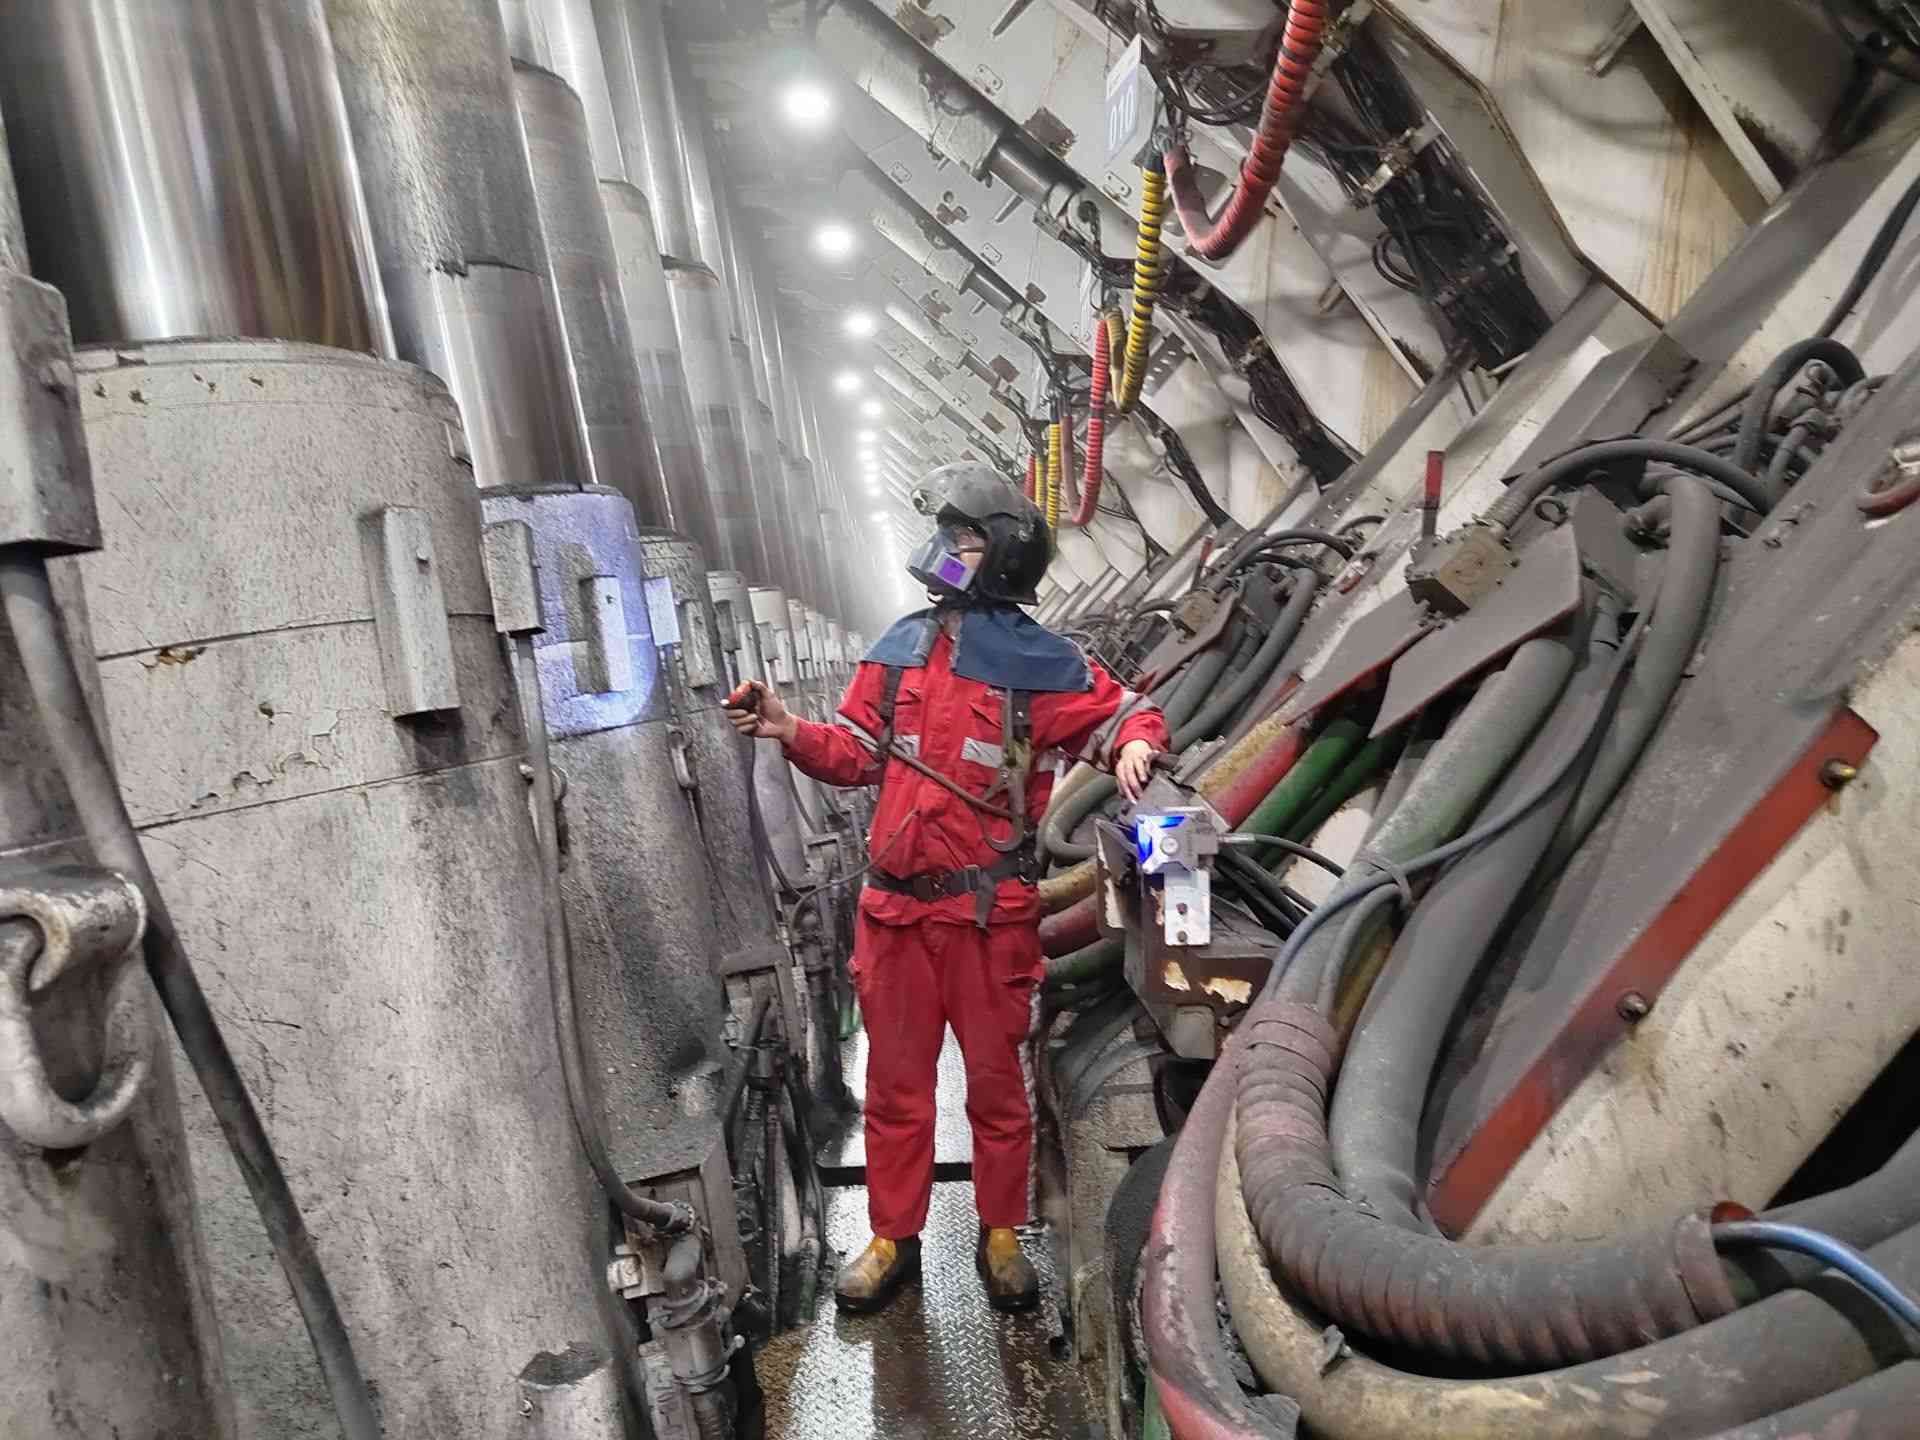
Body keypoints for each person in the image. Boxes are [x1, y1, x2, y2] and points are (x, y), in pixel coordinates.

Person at [726, 463, 1168, 1316]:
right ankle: (894, 1236)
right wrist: (788, 729)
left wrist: (1136, 745)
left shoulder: (1042, 664)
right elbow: (854, 754)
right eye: (948, 534)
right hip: (895, 915)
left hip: (988, 919)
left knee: (998, 1089)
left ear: (1000, 551)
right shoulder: (900, 650)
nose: (946, 550)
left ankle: (999, 1232)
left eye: (963, 537)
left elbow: (1125, 713)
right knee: (897, 1091)